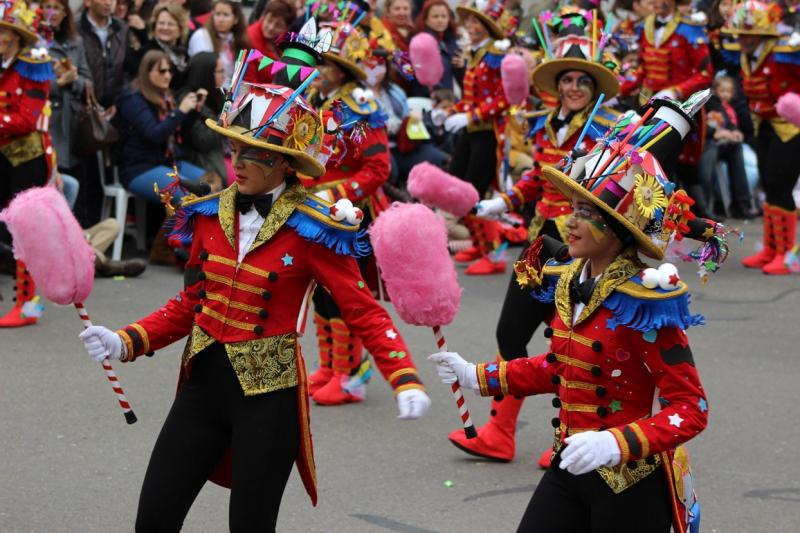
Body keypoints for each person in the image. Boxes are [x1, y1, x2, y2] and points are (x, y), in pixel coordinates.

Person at [77, 52, 430, 530]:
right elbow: (192, 303)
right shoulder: (204, 214)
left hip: (268, 400)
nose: (239, 162)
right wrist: (128, 339)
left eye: (256, 152)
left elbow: (362, 309)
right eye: (236, 149)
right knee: (154, 518)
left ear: (285, 164)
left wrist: (403, 375)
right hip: (201, 388)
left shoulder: (312, 228)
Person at [430, 92, 714, 533]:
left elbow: (690, 406)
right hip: (571, 463)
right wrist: (477, 375)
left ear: (620, 230)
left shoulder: (646, 301)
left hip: (629, 480)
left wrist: (617, 444)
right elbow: (560, 366)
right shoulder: (568, 280)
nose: (571, 223)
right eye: (573, 209)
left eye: (588, 213)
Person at [449, 11, 622, 465]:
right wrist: (502, 202)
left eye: (582, 82)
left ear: (594, 88)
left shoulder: (604, 131)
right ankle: (499, 432)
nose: (573, 88)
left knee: (567, 345)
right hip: (538, 245)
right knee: (510, 333)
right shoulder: (547, 124)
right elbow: (538, 180)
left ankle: (573, 437)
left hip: (579, 250)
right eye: (567, 80)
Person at [304, 18, 396, 405]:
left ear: (339, 70)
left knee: (344, 294)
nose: (315, 70)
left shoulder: (360, 106)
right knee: (320, 292)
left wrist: (333, 192)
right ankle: (329, 365)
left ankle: (351, 373)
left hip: (350, 214)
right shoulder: (313, 101)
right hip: (316, 213)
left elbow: (378, 169)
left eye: (322, 64)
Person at [724, 0, 800, 275]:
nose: (744, 40)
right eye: (741, 35)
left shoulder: (785, 53)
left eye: (750, 34)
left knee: (781, 186)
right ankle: (770, 248)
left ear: (764, 34)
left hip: (791, 128)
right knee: (768, 186)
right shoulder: (745, 55)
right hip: (764, 125)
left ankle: (787, 254)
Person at [621, 0, 715, 218]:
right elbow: (644, 68)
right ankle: (651, 214)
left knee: (675, 163)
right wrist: (619, 87)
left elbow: (705, 73)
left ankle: (683, 215)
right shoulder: (644, 27)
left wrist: (676, 91)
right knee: (650, 161)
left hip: (679, 108)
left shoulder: (690, 29)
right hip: (651, 107)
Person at [446, 0, 513, 276]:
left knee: (477, 191)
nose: (471, 27)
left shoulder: (496, 55)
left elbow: (505, 98)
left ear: (487, 28)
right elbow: (471, 98)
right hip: (472, 131)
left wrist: (471, 117)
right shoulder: (476, 54)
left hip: (489, 132)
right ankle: (478, 241)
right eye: (470, 22)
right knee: (458, 185)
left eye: (477, 23)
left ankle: (495, 253)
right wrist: (450, 112)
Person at [0, 0, 55, 328]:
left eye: (4, 33)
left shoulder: (33, 66)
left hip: (28, 159)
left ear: (16, 37)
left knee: (24, 233)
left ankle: (27, 305)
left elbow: (25, 120)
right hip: (4, 156)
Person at [115, 49, 207, 203]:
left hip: (169, 163)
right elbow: (154, 135)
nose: (168, 76)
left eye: (170, 71)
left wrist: (192, 112)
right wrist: (180, 111)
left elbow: (179, 136)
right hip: (140, 168)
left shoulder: (165, 97)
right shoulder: (133, 100)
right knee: (191, 196)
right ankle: (178, 228)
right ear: (147, 72)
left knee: (214, 188)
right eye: (162, 71)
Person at [43, 0, 93, 213]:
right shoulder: (35, 42)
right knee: (53, 183)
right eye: (47, 7)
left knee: (74, 183)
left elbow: (89, 82)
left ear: (66, 14)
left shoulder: (75, 41)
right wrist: (58, 84)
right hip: (48, 121)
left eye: (58, 8)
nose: (52, 12)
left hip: (72, 124)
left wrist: (73, 79)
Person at [699, 75, 754, 219]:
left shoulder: (713, 100)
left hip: (718, 141)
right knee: (710, 152)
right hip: (701, 142)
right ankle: (706, 205)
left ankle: (741, 204)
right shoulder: (694, 95)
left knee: (736, 148)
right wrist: (713, 132)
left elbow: (724, 119)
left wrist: (733, 131)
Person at [177, 51, 228, 187]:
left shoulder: (218, 94)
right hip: (199, 160)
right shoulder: (190, 99)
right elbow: (203, 141)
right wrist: (226, 115)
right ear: (206, 74)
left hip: (220, 155)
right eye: (220, 71)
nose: (224, 76)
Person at [79, 0, 130, 112]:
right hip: (82, 107)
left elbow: (127, 69)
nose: (108, 3)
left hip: (115, 107)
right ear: (88, 2)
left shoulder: (122, 28)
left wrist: (120, 101)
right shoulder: (76, 28)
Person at [126, 2, 191, 88]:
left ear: (180, 29)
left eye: (170, 24)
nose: (165, 27)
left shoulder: (184, 54)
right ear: (154, 26)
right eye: (161, 23)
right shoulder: (145, 53)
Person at [187, 0, 248, 89]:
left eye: (226, 15)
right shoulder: (201, 37)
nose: (220, 19)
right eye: (217, 14)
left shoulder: (235, 39)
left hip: (229, 91)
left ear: (236, 19)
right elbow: (203, 73)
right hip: (208, 90)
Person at [409, 0, 462, 97]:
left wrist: (462, 65)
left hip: (449, 97)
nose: (440, 20)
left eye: (444, 16)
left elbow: (460, 77)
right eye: (435, 16)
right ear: (426, 19)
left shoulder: (452, 41)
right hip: (427, 99)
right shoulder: (420, 42)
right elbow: (415, 75)